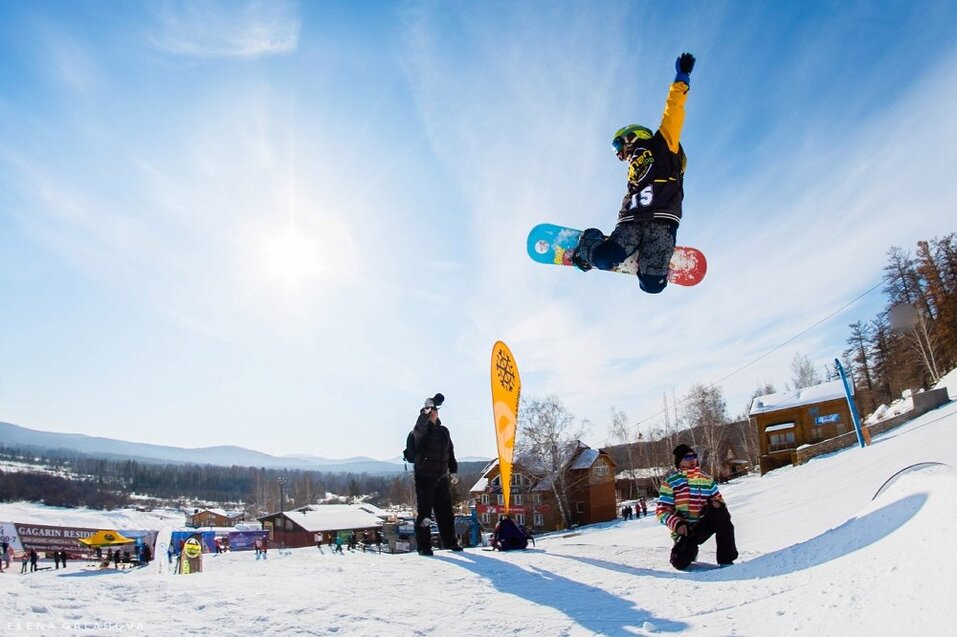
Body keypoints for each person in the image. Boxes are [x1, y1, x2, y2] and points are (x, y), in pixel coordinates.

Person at [570, 52, 696, 294]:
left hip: (662, 221)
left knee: (651, 286)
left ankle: (650, 265)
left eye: (617, 145)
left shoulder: (663, 144)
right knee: (604, 259)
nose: (619, 154)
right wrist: (619, 227)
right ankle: (590, 242)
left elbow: (673, 113)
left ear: (632, 136)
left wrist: (681, 79)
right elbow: (629, 199)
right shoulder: (633, 172)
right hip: (632, 222)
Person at [656, 444, 738, 570]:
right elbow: (662, 510)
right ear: (679, 461)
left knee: (722, 514)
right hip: (685, 529)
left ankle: (726, 560)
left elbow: (719, 499)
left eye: (694, 456)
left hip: (703, 525)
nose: (692, 460)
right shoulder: (671, 482)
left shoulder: (706, 480)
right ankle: (690, 550)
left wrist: (719, 504)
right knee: (680, 563)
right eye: (687, 457)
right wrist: (677, 524)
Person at [404, 392, 462, 555]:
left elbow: (450, 452)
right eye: (431, 410)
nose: (434, 412)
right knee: (425, 514)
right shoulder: (420, 431)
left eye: (435, 410)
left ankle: (450, 542)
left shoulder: (444, 431)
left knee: (446, 513)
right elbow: (420, 425)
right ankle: (424, 547)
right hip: (424, 477)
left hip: (441, 477)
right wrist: (426, 410)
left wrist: (453, 470)